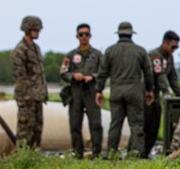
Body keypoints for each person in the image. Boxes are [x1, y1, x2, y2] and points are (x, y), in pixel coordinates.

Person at [95, 22, 154, 156]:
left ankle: (111, 153)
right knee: (136, 125)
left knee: (115, 124)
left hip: (116, 91)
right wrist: (149, 90)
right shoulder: (140, 51)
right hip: (134, 91)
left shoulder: (110, 51)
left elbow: (102, 72)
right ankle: (135, 153)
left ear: (119, 33)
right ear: (131, 34)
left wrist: (99, 90)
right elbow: (148, 73)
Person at [60, 23, 103, 158]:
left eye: (86, 34)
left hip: (91, 91)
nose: (84, 37)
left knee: (95, 123)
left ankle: (96, 152)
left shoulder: (97, 55)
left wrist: (93, 77)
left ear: (90, 36)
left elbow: (103, 72)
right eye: (81, 34)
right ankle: (78, 153)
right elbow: (63, 72)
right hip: (76, 92)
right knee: (75, 123)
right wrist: (73, 75)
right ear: (77, 37)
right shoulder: (71, 55)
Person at [143, 30, 180, 157]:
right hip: (146, 95)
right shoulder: (155, 56)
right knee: (144, 126)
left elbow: (173, 78)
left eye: (177, 47)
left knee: (154, 127)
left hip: (156, 97)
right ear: (165, 43)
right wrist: (166, 93)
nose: (174, 50)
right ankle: (137, 153)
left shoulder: (169, 58)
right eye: (173, 46)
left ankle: (145, 153)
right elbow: (160, 76)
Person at [12, 15, 48, 148]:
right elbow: (19, 76)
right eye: (35, 30)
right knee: (25, 129)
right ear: (27, 30)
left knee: (37, 129)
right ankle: (22, 157)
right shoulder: (21, 50)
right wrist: (27, 97)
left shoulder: (36, 48)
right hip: (27, 98)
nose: (38, 33)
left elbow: (39, 74)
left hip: (37, 96)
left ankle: (34, 156)